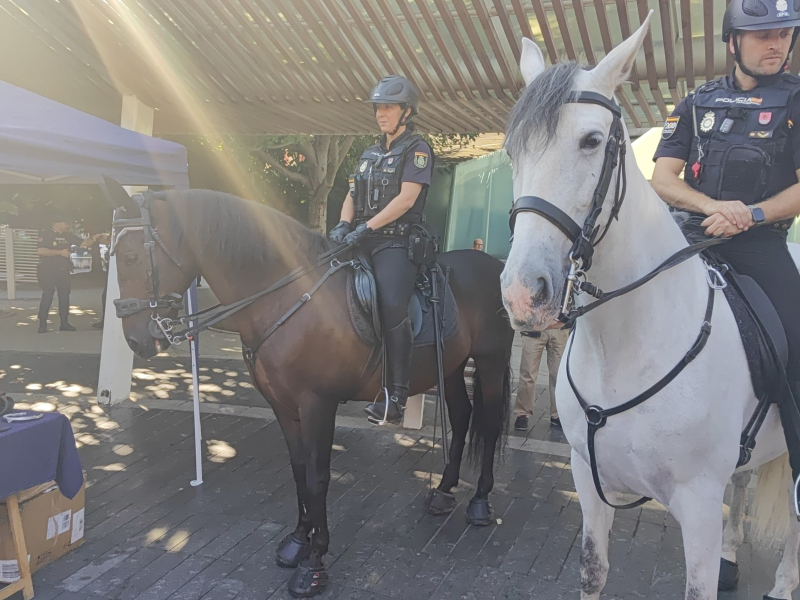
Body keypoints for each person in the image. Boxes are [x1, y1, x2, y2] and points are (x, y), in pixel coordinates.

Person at [651, 0, 800, 491]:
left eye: (783, 33)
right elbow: (663, 178)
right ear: (732, 42)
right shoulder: (697, 102)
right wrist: (711, 207)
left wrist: (751, 214)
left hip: (759, 245)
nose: (777, 44)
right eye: (763, 35)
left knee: (798, 344)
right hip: (692, 235)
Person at [329, 75, 435, 423]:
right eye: (378, 108)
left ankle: (397, 395)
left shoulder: (417, 149)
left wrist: (364, 228)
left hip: (396, 242)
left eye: (387, 107)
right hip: (361, 236)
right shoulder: (369, 152)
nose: (380, 114)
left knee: (391, 303)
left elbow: (406, 200)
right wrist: (344, 223)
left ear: (407, 111)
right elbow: (352, 195)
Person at [36, 220, 96, 333]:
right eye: (64, 223)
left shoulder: (68, 236)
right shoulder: (46, 234)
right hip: (48, 270)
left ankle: (64, 322)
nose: (66, 225)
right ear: (56, 223)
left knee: (64, 296)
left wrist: (94, 238)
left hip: (63, 270)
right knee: (48, 295)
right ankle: (42, 323)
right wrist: (60, 252)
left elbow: (84, 243)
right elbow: (41, 251)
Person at [514, 329, 569, 431]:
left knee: (559, 375)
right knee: (528, 373)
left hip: (559, 326)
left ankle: (557, 414)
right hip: (535, 326)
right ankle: (522, 413)